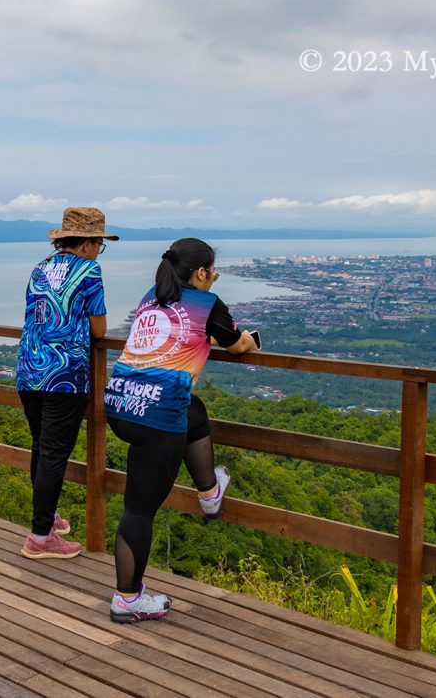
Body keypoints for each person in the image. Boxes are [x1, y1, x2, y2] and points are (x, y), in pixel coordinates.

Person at [102, 238, 259, 622]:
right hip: (157, 413)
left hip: (121, 402)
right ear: (202, 273)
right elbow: (238, 345)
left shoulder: (150, 297)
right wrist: (251, 340)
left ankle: (209, 492)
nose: (213, 279)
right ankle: (127, 598)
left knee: (193, 409)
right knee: (138, 510)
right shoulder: (207, 304)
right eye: (213, 272)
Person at [15, 207, 116, 559]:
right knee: (55, 453)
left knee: (42, 447)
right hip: (65, 376)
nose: (97, 250)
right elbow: (100, 329)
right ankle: (41, 537)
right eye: (98, 244)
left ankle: (48, 518)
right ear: (87, 242)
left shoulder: (39, 268)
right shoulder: (89, 270)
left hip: (29, 368)